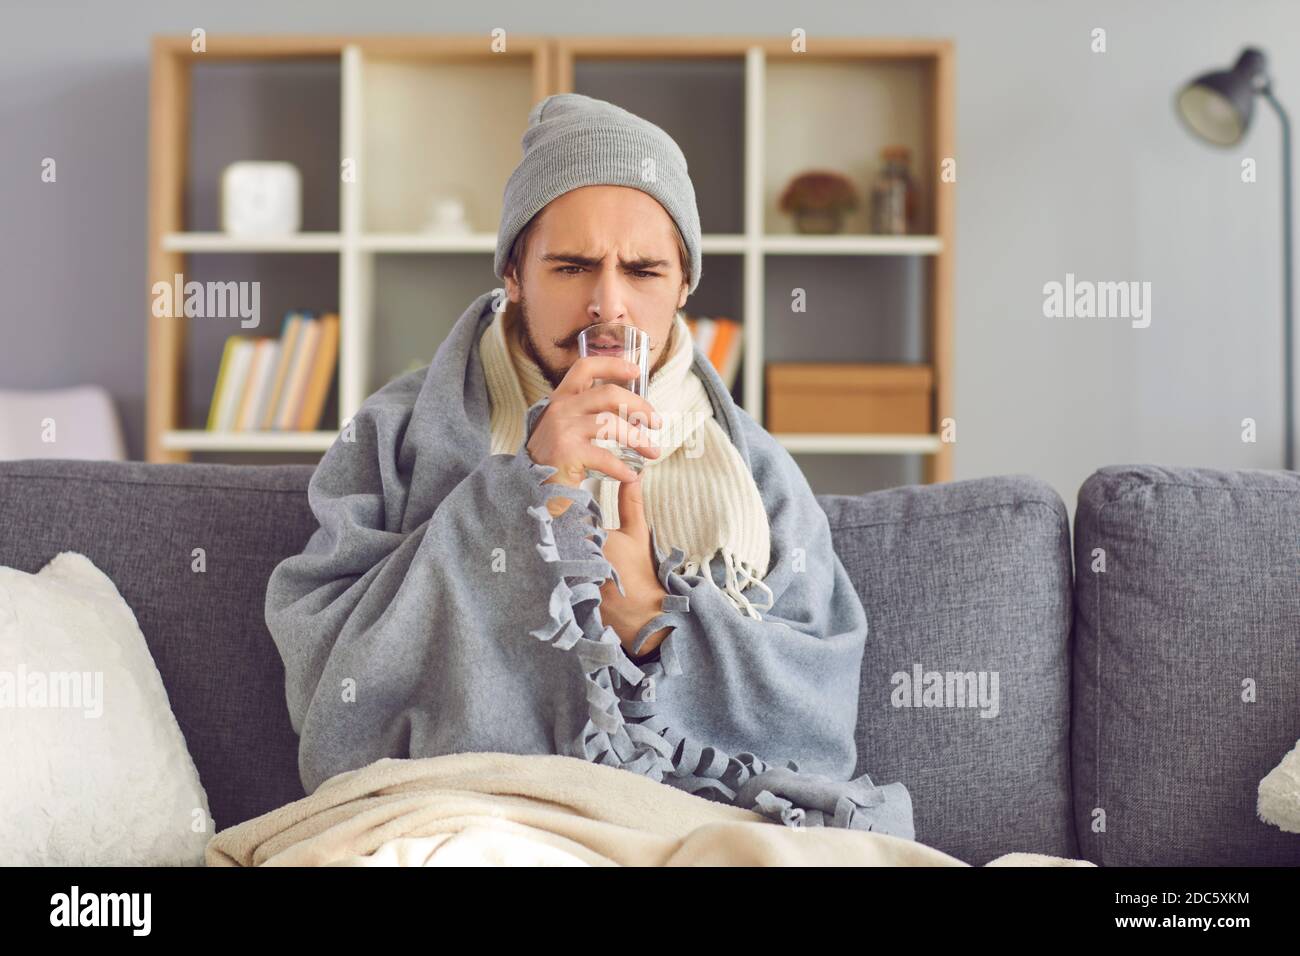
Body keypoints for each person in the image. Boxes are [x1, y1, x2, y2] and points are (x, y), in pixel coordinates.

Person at [264, 93, 914, 838]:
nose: (609, 307)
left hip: (686, 825)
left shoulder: (755, 470)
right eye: (572, 267)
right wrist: (517, 495)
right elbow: (327, 686)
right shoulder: (393, 434)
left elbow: (820, 721)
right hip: (467, 817)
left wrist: (649, 617)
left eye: (643, 271)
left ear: (685, 285)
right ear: (514, 273)